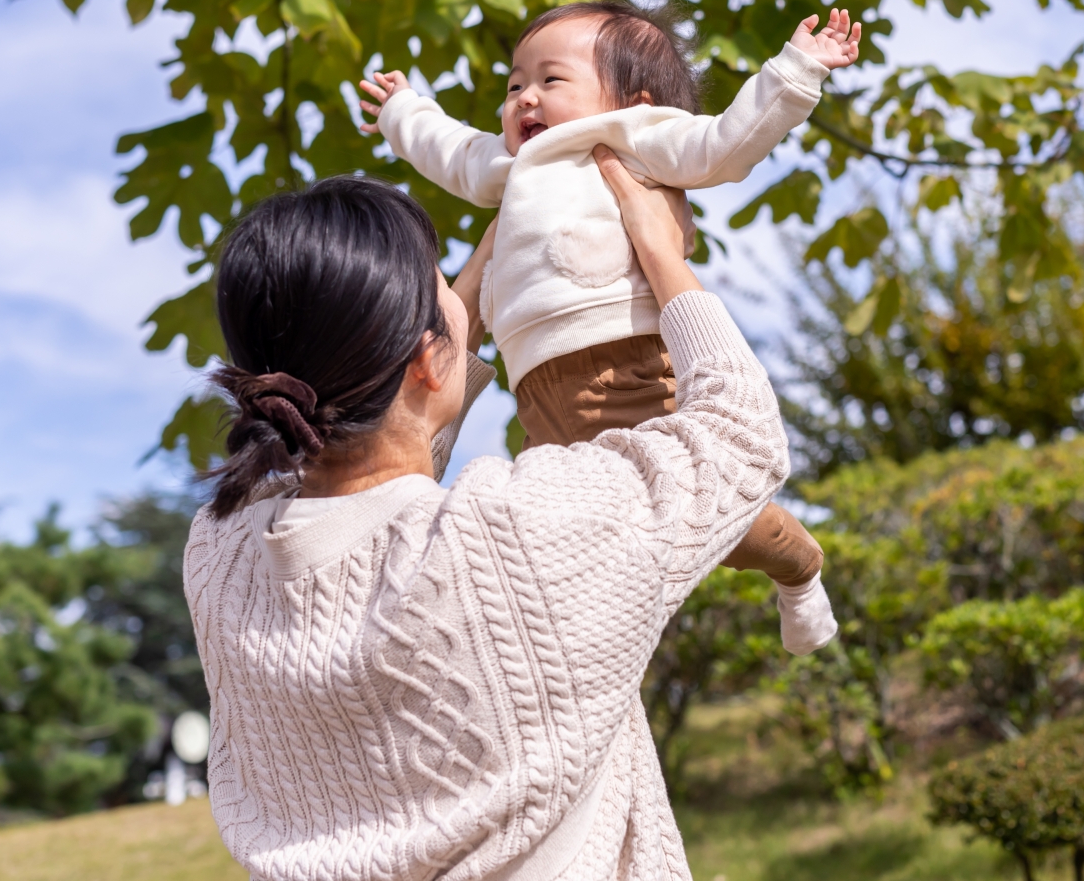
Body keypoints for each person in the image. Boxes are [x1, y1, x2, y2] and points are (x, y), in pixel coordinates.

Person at [185, 158, 795, 881]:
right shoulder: (517, 535)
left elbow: (370, 480)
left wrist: (471, 277)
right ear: (421, 359)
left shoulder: (220, 555)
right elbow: (740, 437)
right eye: (443, 283)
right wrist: (659, 247)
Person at [357, 0, 859, 654]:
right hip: (537, 396)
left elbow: (725, 145)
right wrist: (402, 111)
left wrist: (795, 71)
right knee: (551, 536)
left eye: (551, 81)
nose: (524, 99)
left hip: (630, 373)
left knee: (715, 521)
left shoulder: (632, 139)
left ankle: (799, 566)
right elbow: (448, 150)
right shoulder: (510, 171)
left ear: (635, 101)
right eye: (514, 86)